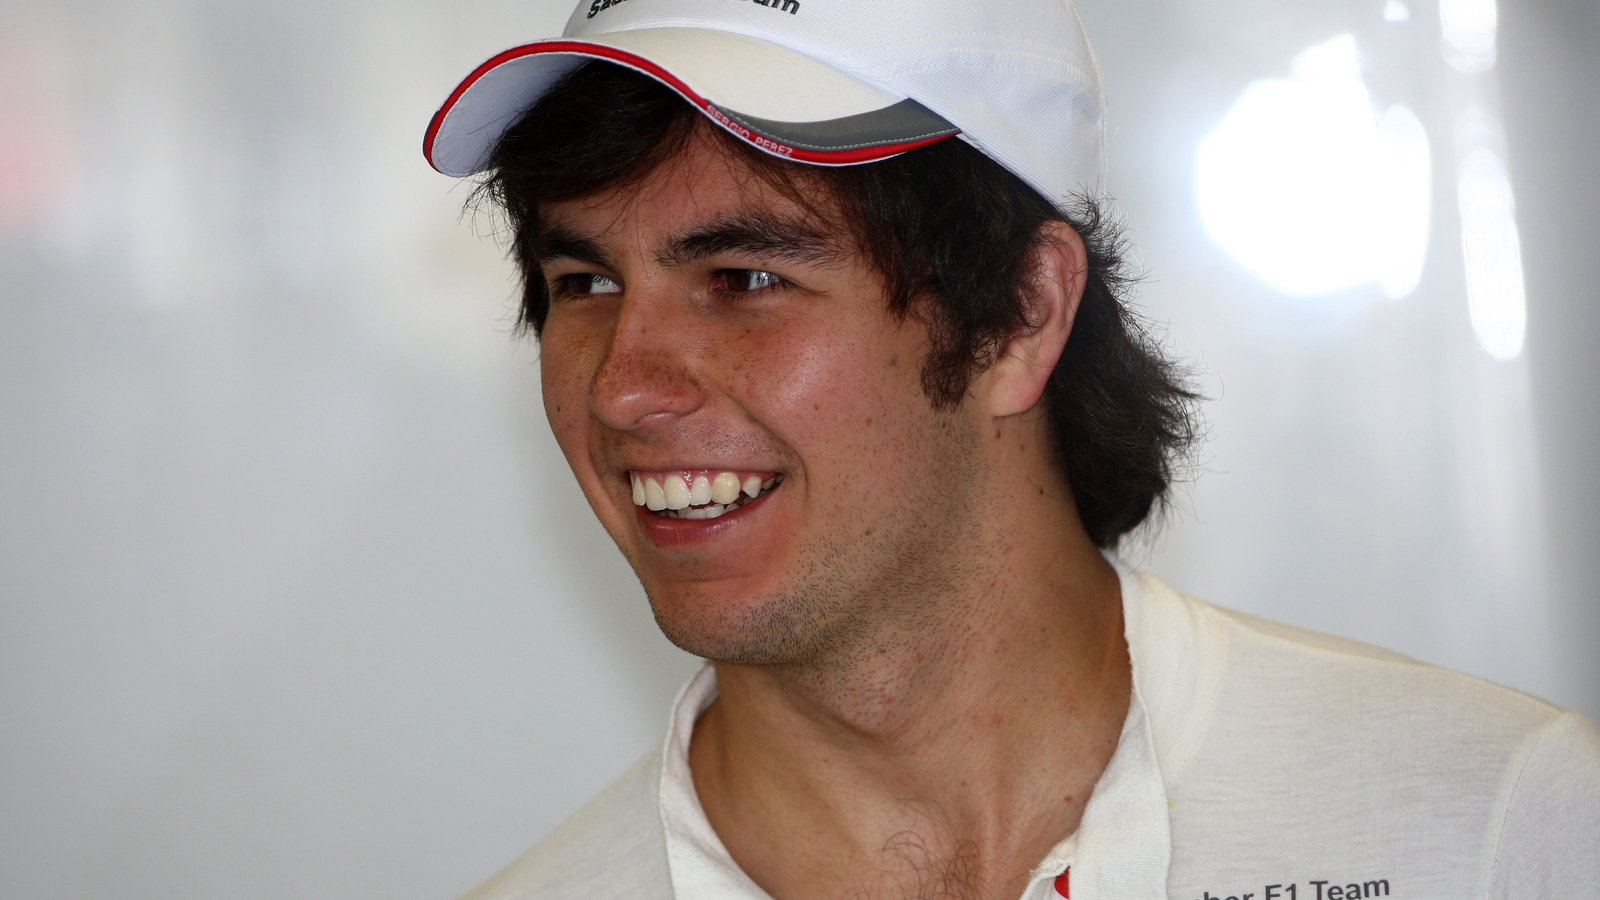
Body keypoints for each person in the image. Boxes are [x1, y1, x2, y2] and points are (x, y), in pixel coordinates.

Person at [423, 1, 1600, 897]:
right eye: (583, 282)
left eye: (745, 278)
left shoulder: (1494, 827)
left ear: (1021, 315)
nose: (623, 389)